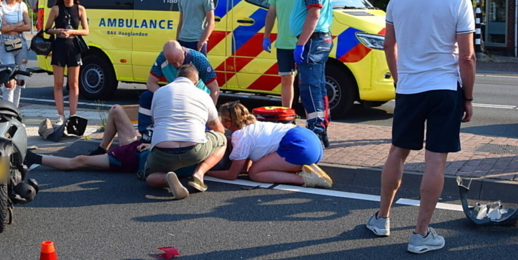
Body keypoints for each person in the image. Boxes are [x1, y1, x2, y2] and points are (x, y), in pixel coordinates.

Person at [364, 0, 475, 254]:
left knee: (397, 152)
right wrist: (468, 97)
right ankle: (420, 233)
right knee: (434, 161)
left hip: (410, 88)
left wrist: (401, 81)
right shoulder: (460, 0)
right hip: (444, 88)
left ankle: (382, 218)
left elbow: (389, 44)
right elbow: (467, 57)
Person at [144, 64, 228, 200]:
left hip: (163, 150)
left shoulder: (159, 92)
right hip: (193, 150)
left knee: (149, 177)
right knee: (222, 140)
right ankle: (198, 175)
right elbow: (219, 129)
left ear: (176, 77)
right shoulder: (203, 95)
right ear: (195, 81)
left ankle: (166, 178)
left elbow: (155, 121)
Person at [208, 102, 333, 188]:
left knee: (255, 173)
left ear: (227, 123)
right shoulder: (253, 126)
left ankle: (306, 179)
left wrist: (207, 172)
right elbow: (244, 168)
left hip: (299, 147)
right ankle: (304, 169)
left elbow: (232, 175)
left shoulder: (240, 136)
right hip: (311, 141)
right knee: (256, 169)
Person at [283, 0, 333, 147]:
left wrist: (301, 43)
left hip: (312, 41)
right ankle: (322, 128)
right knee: (318, 87)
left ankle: (316, 131)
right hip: (318, 40)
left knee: (310, 88)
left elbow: (314, 15)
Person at [26, 105, 148, 174]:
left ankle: (33, 158)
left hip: (131, 159)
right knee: (116, 109)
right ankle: (101, 150)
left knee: (80, 160)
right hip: (139, 147)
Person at [43, 0, 89, 126]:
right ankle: (60, 115)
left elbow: (86, 30)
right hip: (59, 46)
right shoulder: (56, 9)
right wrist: (58, 31)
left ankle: (73, 114)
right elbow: (47, 28)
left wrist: (71, 32)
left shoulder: (80, 9)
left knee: (74, 83)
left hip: (74, 46)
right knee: (58, 83)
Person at [263, 0, 302, 108]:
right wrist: (266, 36)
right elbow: (271, 13)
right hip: (284, 43)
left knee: (306, 81)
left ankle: (311, 117)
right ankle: (286, 113)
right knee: (287, 80)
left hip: (302, 43)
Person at [0, 0, 32, 107]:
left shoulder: (22, 5)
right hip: (6, 44)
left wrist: (12, 27)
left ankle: (15, 111)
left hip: (20, 43)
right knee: (9, 81)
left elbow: (28, 26)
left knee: (19, 81)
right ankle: (7, 110)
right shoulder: (1, 6)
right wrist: (19, 26)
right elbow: (2, 28)